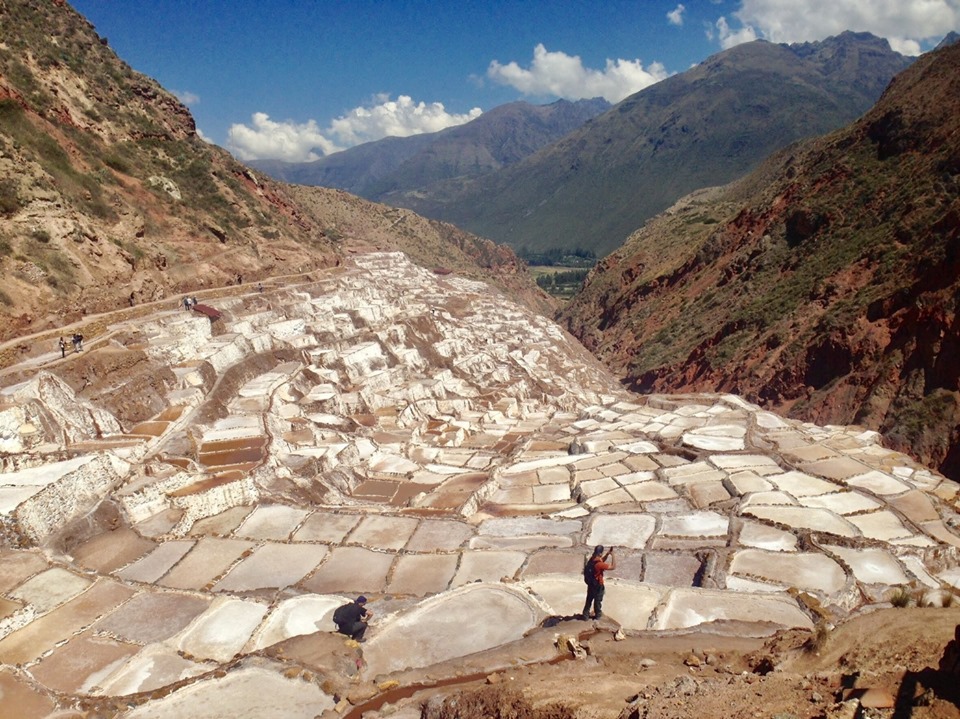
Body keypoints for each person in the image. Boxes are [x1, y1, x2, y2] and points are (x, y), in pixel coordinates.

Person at [582, 545, 615, 620]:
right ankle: (598, 616)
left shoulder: (592, 559)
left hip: (591, 584)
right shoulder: (599, 564)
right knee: (597, 601)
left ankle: (585, 615)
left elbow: (601, 561)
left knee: (589, 600)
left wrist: (607, 554)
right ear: (600, 553)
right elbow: (613, 567)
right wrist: (613, 555)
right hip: (598, 585)